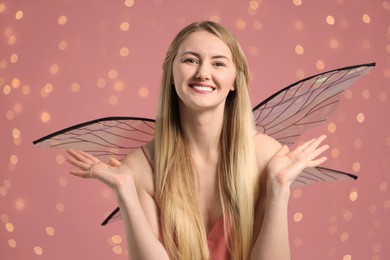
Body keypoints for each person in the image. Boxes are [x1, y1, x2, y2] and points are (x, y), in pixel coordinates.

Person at [66, 21, 329, 260]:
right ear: (171, 74)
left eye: (218, 63)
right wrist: (125, 193)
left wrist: (279, 188)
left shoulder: (265, 157)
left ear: (236, 80)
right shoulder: (141, 168)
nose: (203, 73)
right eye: (191, 60)